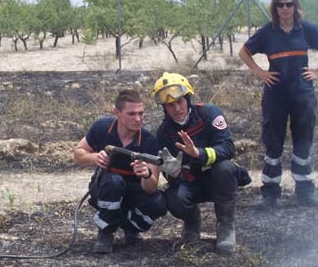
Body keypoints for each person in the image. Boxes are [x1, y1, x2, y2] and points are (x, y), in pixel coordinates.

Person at [239, 0, 318, 209]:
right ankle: (270, 194)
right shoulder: (267, 32)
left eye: (289, 4)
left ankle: (305, 192)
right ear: (275, 7)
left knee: (303, 141)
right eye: (280, 4)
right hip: (276, 95)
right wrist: (261, 73)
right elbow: (243, 52)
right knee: (273, 144)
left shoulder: (306, 30)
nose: (285, 8)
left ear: (295, 6)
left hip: (302, 94)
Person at [73, 89, 167, 254]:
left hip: (134, 192)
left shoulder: (149, 141)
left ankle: (131, 228)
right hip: (106, 188)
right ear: (117, 112)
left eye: (141, 113)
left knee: (159, 203)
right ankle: (106, 231)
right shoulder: (101, 127)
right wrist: (95, 158)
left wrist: (146, 174)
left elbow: (151, 188)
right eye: (131, 114)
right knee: (113, 181)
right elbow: (78, 155)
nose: (138, 119)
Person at [154, 73, 239, 254]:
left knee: (226, 168)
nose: (177, 108)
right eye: (170, 104)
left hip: (217, 179)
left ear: (188, 99)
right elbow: (168, 169)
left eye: (180, 102)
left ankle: (226, 226)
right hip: (191, 182)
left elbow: (228, 148)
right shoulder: (163, 133)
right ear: (164, 108)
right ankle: (192, 223)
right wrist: (171, 173)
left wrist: (198, 153)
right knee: (173, 198)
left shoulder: (209, 114)